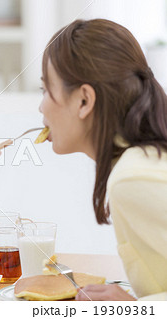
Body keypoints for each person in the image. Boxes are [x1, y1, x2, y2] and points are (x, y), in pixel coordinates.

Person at [39, 19, 167, 301]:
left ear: (84, 101)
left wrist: (134, 307)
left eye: (46, 90)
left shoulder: (133, 178)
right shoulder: (138, 165)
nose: (41, 106)